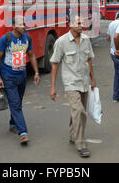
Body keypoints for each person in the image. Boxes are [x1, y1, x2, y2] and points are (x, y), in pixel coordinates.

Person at [50, 15, 96, 158]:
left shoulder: (86, 40)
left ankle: (72, 134)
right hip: (70, 83)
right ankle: (80, 143)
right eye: (78, 23)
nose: (81, 25)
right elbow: (55, 64)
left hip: (84, 81)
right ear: (70, 25)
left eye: (82, 23)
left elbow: (89, 60)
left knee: (77, 111)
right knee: (79, 111)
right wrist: (52, 87)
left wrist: (93, 79)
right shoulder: (61, 42)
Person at [0, 15, 40, 145]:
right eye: (21, 24)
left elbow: (31, 55)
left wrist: (36, 72)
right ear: (14, 26)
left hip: (22, 75)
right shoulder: (6, 38)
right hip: (8, 76)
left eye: (24, 24)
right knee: (15, 104)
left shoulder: (28, 38)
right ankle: (23, 132)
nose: (24, 27)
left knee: (18, 103)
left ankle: (12, 124)